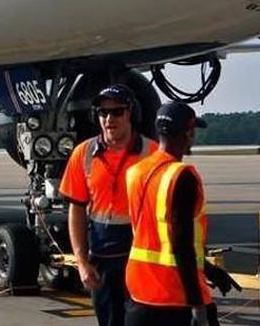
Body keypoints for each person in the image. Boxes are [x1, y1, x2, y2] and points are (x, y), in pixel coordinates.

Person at [59, 84, 156, 326]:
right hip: (102, 256)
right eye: (103, 113)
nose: (109, 119)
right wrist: (81, 262)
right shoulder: (83, 153)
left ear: (130, 113)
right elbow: (77, 209)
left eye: (117, 112)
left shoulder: (152, 153)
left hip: (141, 256)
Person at [124, 102, 219, 326]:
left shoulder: (136, 172)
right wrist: (197, 304)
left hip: (139, 290)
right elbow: (180, 243)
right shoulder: (181, 176)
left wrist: (207, 268)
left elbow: (156, 234)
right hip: (174, 295)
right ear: (188, 133)